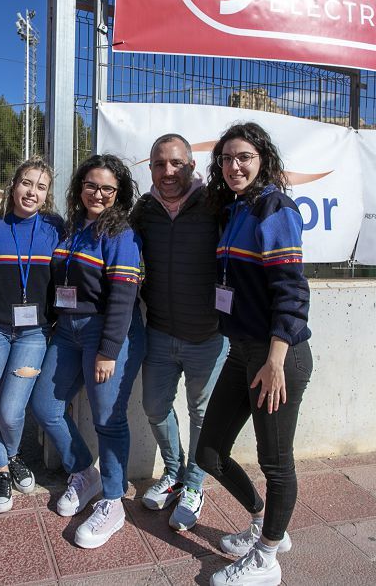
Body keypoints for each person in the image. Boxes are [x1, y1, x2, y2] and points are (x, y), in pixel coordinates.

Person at [195, 122, 313, 586]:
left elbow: (291, 290)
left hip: (276, 357)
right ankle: (267, 525)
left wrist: (276, 359)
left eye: (243, 156)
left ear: (263, 158)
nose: (234, 166)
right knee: (209, 452)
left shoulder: (274, 207)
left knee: (276, 462)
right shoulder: (234, 210)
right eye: (226, 158)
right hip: (241, 350)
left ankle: (267, 559)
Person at [30, 154, 145, 549]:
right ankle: (84, 470)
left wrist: (109, 349)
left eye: (107, 188)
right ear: (80, 187)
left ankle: (113, 502)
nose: (98, 193)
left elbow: (123, 296)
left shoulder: (121, 233)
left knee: (108, 420)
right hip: (67, 332)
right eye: (91, 185)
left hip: (105, 333)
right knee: (45, 406)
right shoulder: (72, 227)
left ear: (118, 193)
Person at [131, 134, 228, 531]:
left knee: (203, 414)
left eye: (176, 163)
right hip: (159, 332)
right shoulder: (144, 209)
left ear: (192, 165)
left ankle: (194, 483)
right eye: (159, 164)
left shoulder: (215, 206)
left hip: (207, 335)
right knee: (155, 407)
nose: (168, 172)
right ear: (151, 167)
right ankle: (173, 473)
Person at [0, 157, 64, 513]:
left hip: (34, 332)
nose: (32, 192)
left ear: (47, 195)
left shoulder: (55, 227)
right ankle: (1, 469)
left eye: (41, 187)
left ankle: (11, 455)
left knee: (11, 410)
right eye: (27, 183)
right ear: (13, 185)